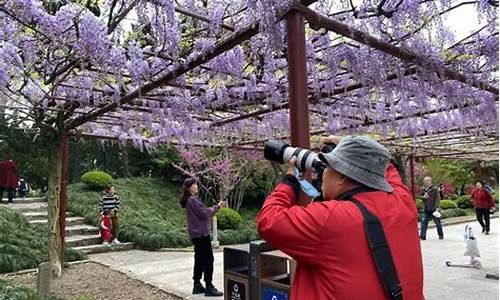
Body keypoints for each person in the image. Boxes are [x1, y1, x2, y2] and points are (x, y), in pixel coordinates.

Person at [257, 135, 424, 300]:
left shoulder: (329, 219)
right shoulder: (403, 201)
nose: (321, 174)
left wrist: (289, 182)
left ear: (343, 178)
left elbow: (268, 220)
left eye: (326, 167)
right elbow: (385, 168)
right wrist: (350, 145)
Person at [180, 178, 224, 297]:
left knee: (199, 258)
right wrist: (217, 207)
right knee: (208, 259)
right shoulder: (193, 200)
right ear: (189, 188)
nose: (196, 186)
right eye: (194, 184)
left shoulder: (190, 200)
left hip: (196, 234)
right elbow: (204, 212)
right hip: (201, 234)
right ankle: (209, 286)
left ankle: (197, 285)